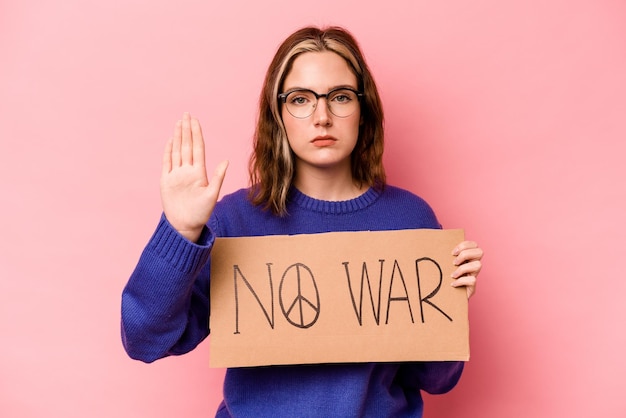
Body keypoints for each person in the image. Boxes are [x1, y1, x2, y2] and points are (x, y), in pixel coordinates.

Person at [121, 26, 483, 417]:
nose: (322, 117)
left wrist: (450, 303)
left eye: (340, 97)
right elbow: (144, 340)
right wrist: (180, 232)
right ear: (278, 114)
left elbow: (437, 379)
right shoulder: (235, 219)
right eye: (301, 99)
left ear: (364, 110)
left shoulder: (411, 218)